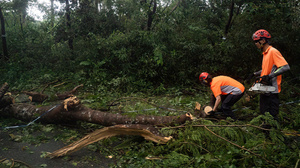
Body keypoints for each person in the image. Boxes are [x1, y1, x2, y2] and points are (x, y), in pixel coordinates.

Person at [248, 29, 290, 120]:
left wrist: (270, 76)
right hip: (265, 89)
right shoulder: (265, 53)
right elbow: (267, 69)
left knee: (271, 116)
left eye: (256, 41)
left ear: (263, 40)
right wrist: (254, 74)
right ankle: (265, 132)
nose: (255, 43)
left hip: (272, 90)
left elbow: (285, 67)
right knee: (264, 114)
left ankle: (272, 133)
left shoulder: (273, 51)